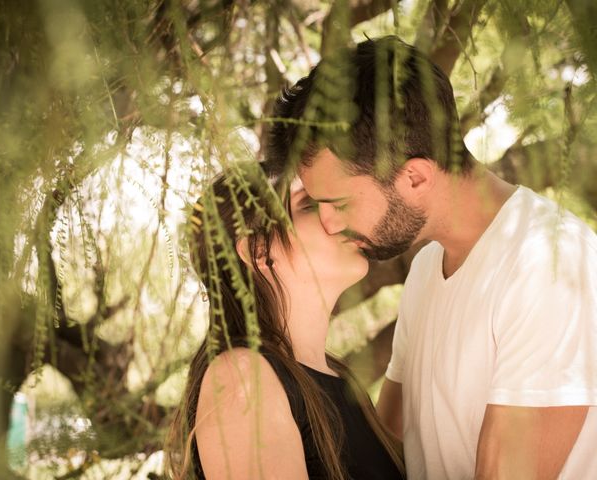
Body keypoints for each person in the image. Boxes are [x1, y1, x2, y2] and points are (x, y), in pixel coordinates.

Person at [265, 36, 597, 479]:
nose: (327, 224)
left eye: (339, 203)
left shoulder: (547, 264)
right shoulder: (427, 268)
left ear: (415, 177)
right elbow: (386, 452)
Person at [165, 162, 404, 479]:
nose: (338, 215)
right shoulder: (240, 378)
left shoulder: (344, 384)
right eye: (308, 204)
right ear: (259, 251)